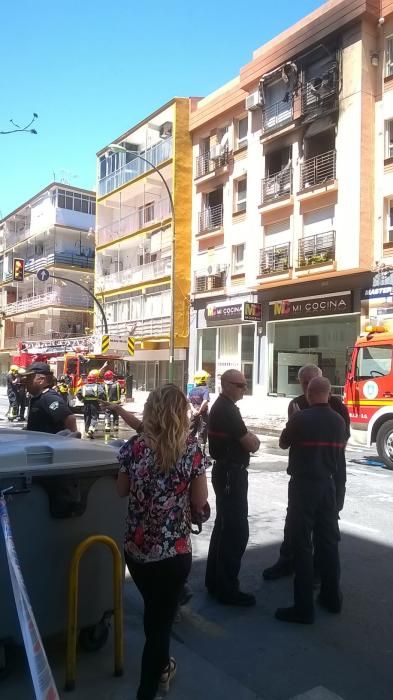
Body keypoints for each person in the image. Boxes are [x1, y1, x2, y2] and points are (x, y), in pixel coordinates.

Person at [117, 384, 208, 700]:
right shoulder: (192, 450)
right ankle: (147, 689)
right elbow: (199, 502)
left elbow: (121, 490)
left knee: (155, 615)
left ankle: (163, 668)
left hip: (136, 550)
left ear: (151, 411)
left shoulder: (134, 447)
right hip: (173, 552)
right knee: (159, 623)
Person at [263, 363, 350, 581]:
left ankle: (318, 572)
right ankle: (287, 561)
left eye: (310, 382)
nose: (306, 387)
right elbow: (289, 439)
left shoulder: (337, 406)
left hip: (331, 473)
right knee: (294, 522)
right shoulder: (296, 404)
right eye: (303, 382)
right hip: (304, 474)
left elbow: (343, 439)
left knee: (327, 526)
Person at [275, 376, 346, 624]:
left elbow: (284, 443)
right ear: (327, 394)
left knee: (303, 544)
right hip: (328, 485)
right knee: (329, 541)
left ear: (309, 393)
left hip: (304, 486)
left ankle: (303, 607)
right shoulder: (338, 421)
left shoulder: (300, 418)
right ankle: (331, 596)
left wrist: (292, 419)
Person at [205, 369, 260, 606]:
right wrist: (252, 439)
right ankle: (227, 588)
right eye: (240, 385)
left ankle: (215, 581)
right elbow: (250, 444)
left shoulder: (223, 407)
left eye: (245, 385)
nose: (244, 389)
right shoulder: (226, 409)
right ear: (225, 384)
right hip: (230, 474)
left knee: (224, 526)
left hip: (226, 472)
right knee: (236, 531)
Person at [24, 362, 77, 434]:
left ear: (41, 380)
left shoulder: (49, 397)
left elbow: (70, 419)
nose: (25, 382)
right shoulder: (38, 397)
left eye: (29, 379)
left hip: (48, 444)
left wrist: (69, 441)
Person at [77, 369, 105, 438]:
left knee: (86, 417)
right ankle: (91, 429)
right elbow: (101, 393)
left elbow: (78, 393)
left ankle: (87, 431)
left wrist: (82, 400)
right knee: (94, 417)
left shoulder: (83, 386)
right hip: (94, 404)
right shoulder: (97, 386)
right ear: (95, 379)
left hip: (86, 404)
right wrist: (99, 400)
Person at [188, 370, 210, 447]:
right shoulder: (205, 390)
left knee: (191, 431)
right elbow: (205, 401)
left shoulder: (192, 390)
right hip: (203, 413)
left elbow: (189, 401)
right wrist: (200, 410)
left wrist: (193, 410)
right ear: (204, 379)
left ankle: (189, 448)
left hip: (193, 414)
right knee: (202, 432)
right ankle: (200, 451)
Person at [102, 370, 122, 435]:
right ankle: (116, 426)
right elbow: (120, 393)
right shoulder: (117, 384)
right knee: (116, 415)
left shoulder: (103, 385)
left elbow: (102, 395)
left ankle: (107, 426)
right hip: (116, 403)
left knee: (107, 415)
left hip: (108, 403)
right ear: (111, 377)